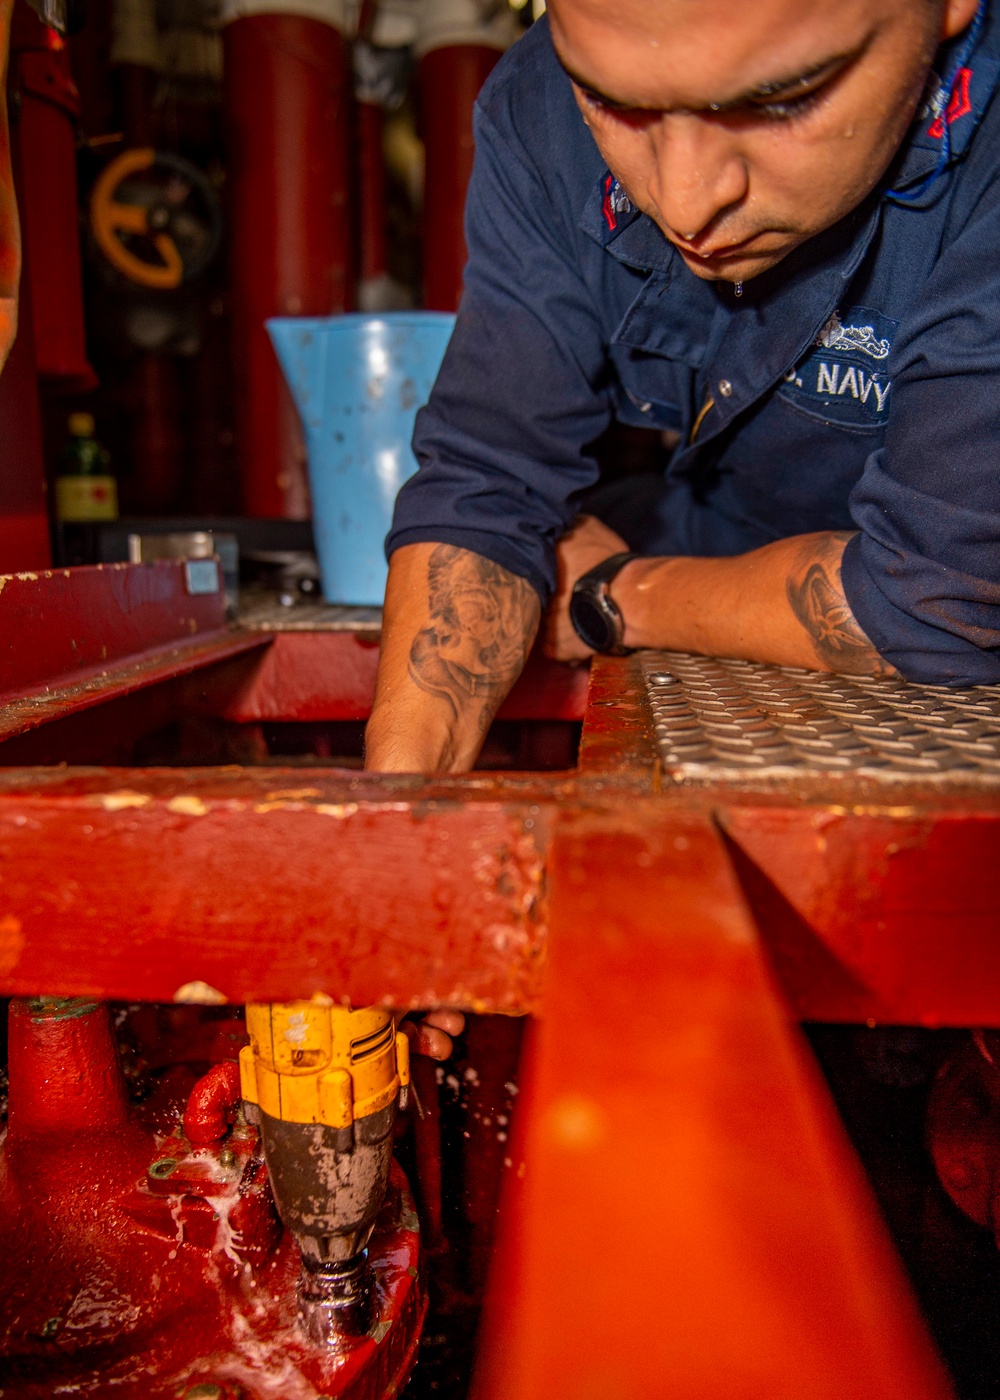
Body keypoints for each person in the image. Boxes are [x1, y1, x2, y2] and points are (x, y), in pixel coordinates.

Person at [366, 0, 1000, 779]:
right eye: (612, 101)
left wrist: (616, 592)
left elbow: (934, 606)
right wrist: (394, 821)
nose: (687, 202)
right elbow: (484, 484)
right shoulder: (539, 104)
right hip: (730, 540)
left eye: (780, 98)